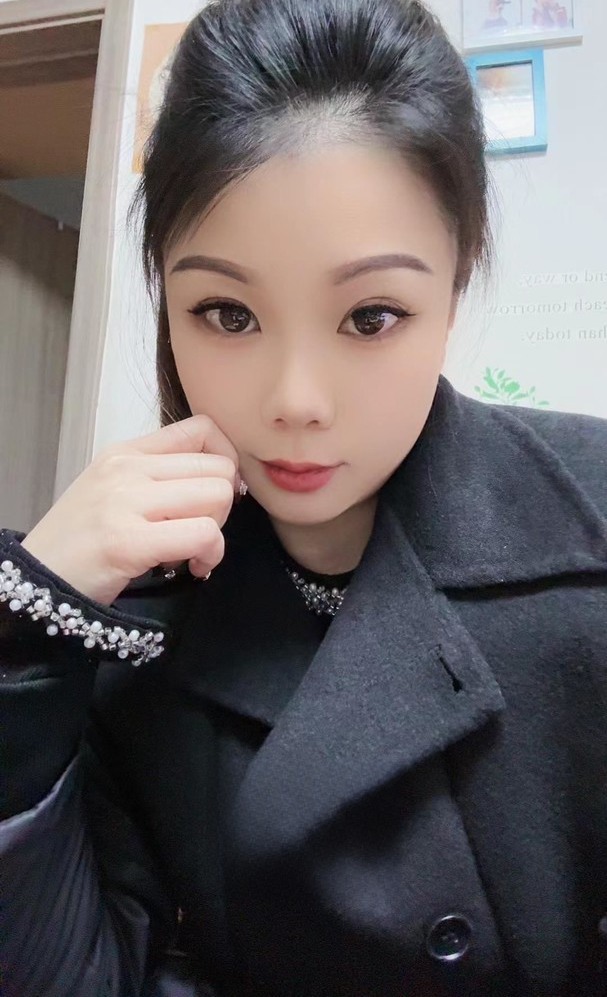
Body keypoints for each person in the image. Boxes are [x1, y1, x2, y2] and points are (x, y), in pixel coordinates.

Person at [1, 0, 606, 994]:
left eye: (370, 316)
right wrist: (26, 633)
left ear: (454, 287)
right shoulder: (124, 613)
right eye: (225, 312)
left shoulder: (588, 532)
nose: (294, 401)